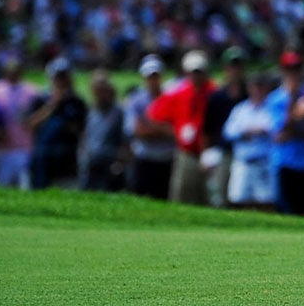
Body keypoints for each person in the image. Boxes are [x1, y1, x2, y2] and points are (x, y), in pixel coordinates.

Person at [147, 50, 216, 206]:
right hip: (186, 153)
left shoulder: (213, 92)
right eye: (193, 72)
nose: (196, 77)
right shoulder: (180, 93)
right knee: (182, 197)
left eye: (199, 72)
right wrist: (174, 132)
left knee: (209, 199)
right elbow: (154, 114)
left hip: (210, 153)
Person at [221, 72, 281, 210]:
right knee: (239, 200)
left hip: (264, 162)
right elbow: (228, 132)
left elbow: (275, 129)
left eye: (261, 87)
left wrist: (260, 131)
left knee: (266, 202)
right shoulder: (240, 109)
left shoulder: (271, 107)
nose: (257, 90)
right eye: (254, 86)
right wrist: (245, 132)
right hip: (243, 162)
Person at [27, 61, 88, 191]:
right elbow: (31, 124)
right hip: (43, 153)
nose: (61, 81)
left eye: (64, 77)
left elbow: (80, 129)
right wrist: (53, 105)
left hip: (67, 154)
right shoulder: (41, 99)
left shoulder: (77, 102)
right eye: (58, 77)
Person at [201, 50, 250, 212]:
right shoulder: (217, 97)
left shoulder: (250, 94)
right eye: (232, 66)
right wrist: (206, 155)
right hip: (225, 152)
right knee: (221, 195)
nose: (235, 70)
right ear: (225, 68)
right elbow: (208, 129)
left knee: (244, 198)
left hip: (246, 153)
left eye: (238, 66)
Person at [122, 56, 175, 200]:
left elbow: (175, 132)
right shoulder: (136, 101)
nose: (153, 80)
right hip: (145, 158)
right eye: (149, 76)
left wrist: (150, 126)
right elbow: (137, 131)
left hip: (167, 159)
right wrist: (161, 129)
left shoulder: (171, 98)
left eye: (155, 76)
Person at [0, 60, 40, 190]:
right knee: (1, 188)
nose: (13, 74)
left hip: (25, 147)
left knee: (25, 187)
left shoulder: (32, 91)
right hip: (2, 149)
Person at [271, 59, 304, 216]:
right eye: (290, 69)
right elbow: (281, 132)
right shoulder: (275, 98)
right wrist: (292, 99)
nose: (294, 73)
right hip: (284, 161)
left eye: (297, 68)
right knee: (286, 210)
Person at [78, 73, 127, 192]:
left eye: (102, 90)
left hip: (110, 163)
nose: (99, 94)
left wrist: (120, 161)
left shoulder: (118, 112)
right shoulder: (91, 111)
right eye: (96, 91)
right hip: (90, 162)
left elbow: (125, 139)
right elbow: (86, 135)